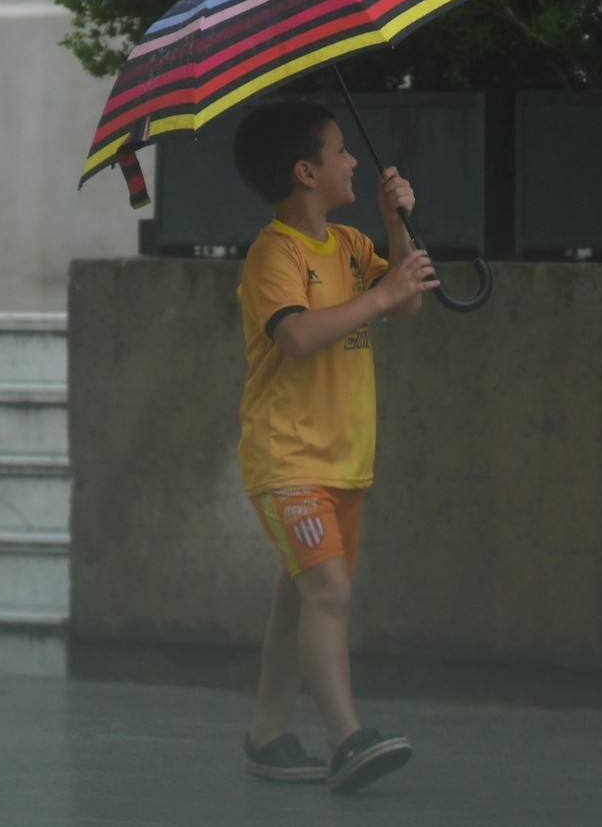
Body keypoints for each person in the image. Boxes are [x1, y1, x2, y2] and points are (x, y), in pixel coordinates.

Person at [230, 98, 438, 793]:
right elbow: (295, 334)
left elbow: (406, 300)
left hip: (343, 458)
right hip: (287, 456)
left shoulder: (349, 244)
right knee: (328, 590)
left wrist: (395, 230)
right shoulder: (274, 253)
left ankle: (266, 734)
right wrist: (380, 297)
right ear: (304, 171)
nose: (354, 160)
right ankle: (347, 737)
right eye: (340, 150)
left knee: (300, 594)